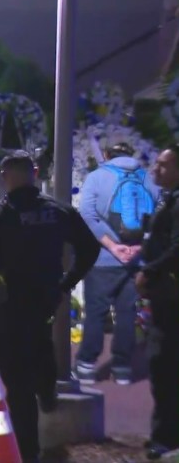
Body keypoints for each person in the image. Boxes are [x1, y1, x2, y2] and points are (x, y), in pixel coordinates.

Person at [0, 151, 99, 462]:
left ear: (4, 177)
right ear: (35, 173)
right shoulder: (57, 212)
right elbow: (89, 248)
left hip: (8, 307)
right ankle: (47, 385)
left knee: (17, 385)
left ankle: (29, 453)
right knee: (39, 347)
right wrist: (66, 284)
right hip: (44, 302)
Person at [76, 142, 159, 385]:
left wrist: (112, 246)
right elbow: (157, 217)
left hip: (103, 260)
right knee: (127, 313)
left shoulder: (97, 177)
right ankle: (122, 368)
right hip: (136, 259)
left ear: (110, 155)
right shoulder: (149, 178)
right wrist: (139, 247)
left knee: (96, 313)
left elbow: (87, 214)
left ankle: (86, 366)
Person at [135, 145, 179, 460]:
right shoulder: (169, 200)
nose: (155, 170)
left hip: (171, 298)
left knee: (163, 366)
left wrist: (149, 272)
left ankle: (165, 437)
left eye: (163, 165)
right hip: (164, 296)